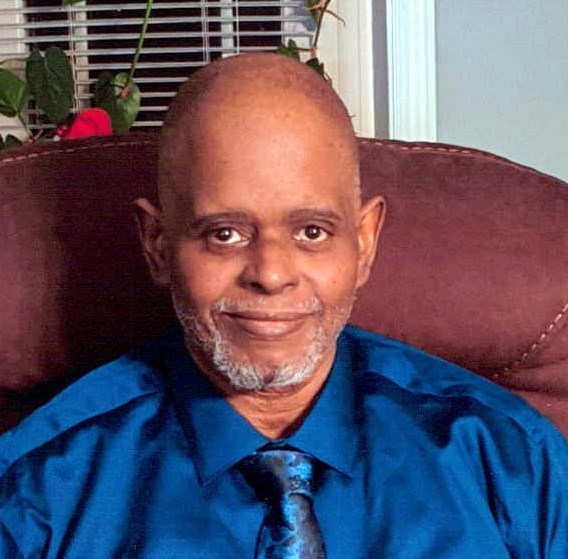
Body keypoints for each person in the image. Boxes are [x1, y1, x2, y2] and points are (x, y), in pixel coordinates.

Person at [0, 53, 566, 559]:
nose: (271, 275)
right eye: (224, 234)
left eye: (312, 232)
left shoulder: (510, 460)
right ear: (158, 246)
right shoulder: (36, 493)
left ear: (364, 244)